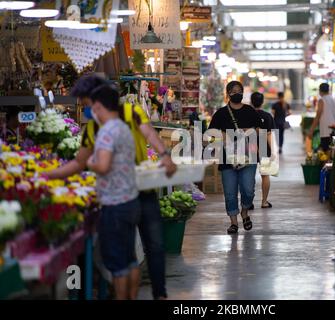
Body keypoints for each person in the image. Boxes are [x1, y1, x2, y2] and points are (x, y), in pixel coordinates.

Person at [46, 75, 176, 300]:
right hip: (127, 194)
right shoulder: (96, 129)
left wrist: (164, 155)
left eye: (87, 104)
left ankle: (159, 294)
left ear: (98, 100)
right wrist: (51, 174)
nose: (87, 109)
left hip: (138, 191)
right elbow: (79, 162)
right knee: (130, 256)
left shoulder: (127, 114)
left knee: (152, 247)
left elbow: (149, 134)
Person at [86, 85, 141, 300]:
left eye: (92, 107)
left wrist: (91, 162)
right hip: (130, 200)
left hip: (114, 204)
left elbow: (103, 165)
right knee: (130, 258)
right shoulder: (124, 128)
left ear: (98, 106)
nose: (91, 112)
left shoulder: (107, 131)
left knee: (117, 263)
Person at [208, 81, 262, 234]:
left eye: (239, 90)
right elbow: (211, 134)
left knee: (248, 190)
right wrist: (223, 136)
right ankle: (234, 222)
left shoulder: (250, 111)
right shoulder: (221, 113)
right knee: (230, 193)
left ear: (243, 93)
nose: (236, 93)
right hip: (227, 160)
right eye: (233, 91)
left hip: (248, 156)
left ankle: (245, 212)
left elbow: (259, 130)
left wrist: (246, 131)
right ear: (228, 94)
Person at [251, 92, 275, 209]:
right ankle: (264, 202)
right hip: (264, 147)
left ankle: (248, 203)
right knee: (265, 175)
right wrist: (274, 151)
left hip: (249, 146)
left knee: (248, 175)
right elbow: (269, 134)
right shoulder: (267, 116)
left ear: (251, 102)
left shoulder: (246, 115)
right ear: (262, 102)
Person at [308, 83, 335, 153]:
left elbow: (318, 115)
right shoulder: (333, 99)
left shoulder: (322, 100)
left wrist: (311, 130)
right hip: (333, 128)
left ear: (320, 90)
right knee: (331, 150)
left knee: (325, 151)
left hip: (325, 129)